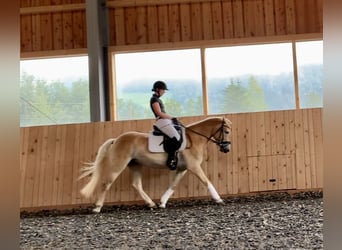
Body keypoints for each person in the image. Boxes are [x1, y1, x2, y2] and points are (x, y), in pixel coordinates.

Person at [150, 80, 182, 170]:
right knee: (176, 138)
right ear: (157, 89)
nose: (164, 92)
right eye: (163, 90)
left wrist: (173, 119)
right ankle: (170, 159)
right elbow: (159, 113)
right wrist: (172, 118)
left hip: (165, 121)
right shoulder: (154, 99)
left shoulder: (158, 99)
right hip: (161, 121)